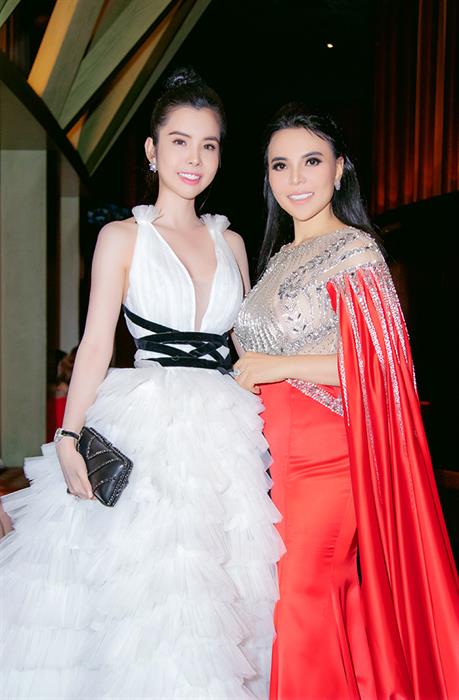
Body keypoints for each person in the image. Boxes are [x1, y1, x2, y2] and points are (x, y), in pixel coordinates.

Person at [0, 69, 283, 700]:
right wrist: (68, 435)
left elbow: (247, 351)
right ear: (153, 150)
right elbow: (97, 343)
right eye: (179, 142)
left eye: (208, 145)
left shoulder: (233, 243)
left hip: (226, 432)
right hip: (148, 424)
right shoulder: (123, 237)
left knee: (225, 590)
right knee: (149, 587)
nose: (194, 158)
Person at [234, 105, 459, 700]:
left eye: (311, 161)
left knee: (302, 598)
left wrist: (275, 366)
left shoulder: (354, 251)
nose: (296, 178)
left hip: (328, 457)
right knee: (298, 602)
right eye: (280, 165)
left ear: (339, 170)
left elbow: (387, 368)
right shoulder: (277, 259)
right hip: (270, 459)